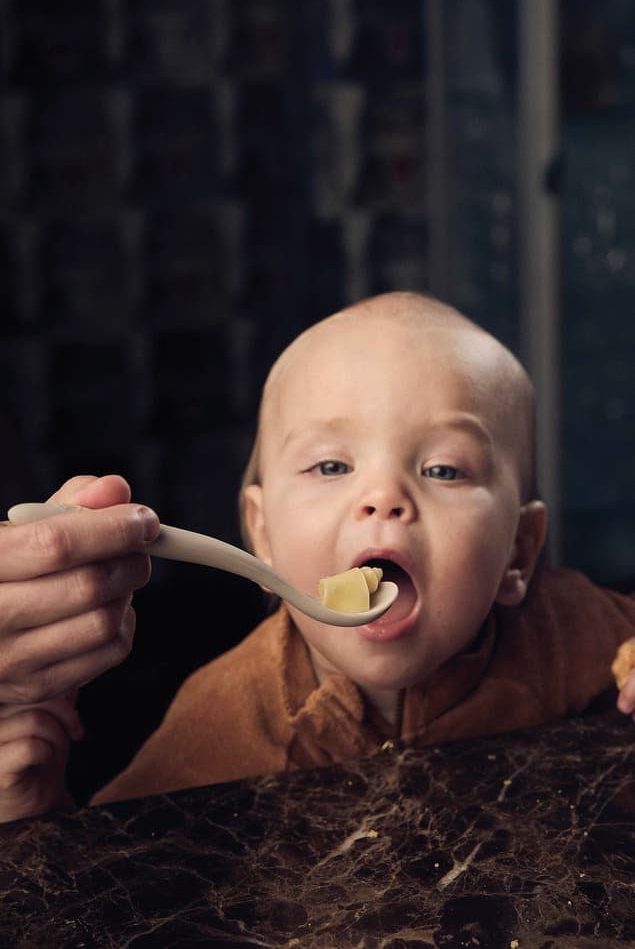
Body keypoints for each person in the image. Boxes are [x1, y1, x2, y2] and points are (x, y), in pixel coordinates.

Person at [1, 291, 634, 822]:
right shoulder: (223, 720)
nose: (384, 497)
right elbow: (114, 882)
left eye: (443, 468)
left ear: (519, 552)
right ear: (264, 535)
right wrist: (36, 805)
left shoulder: (570, 629)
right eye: (331, 465)